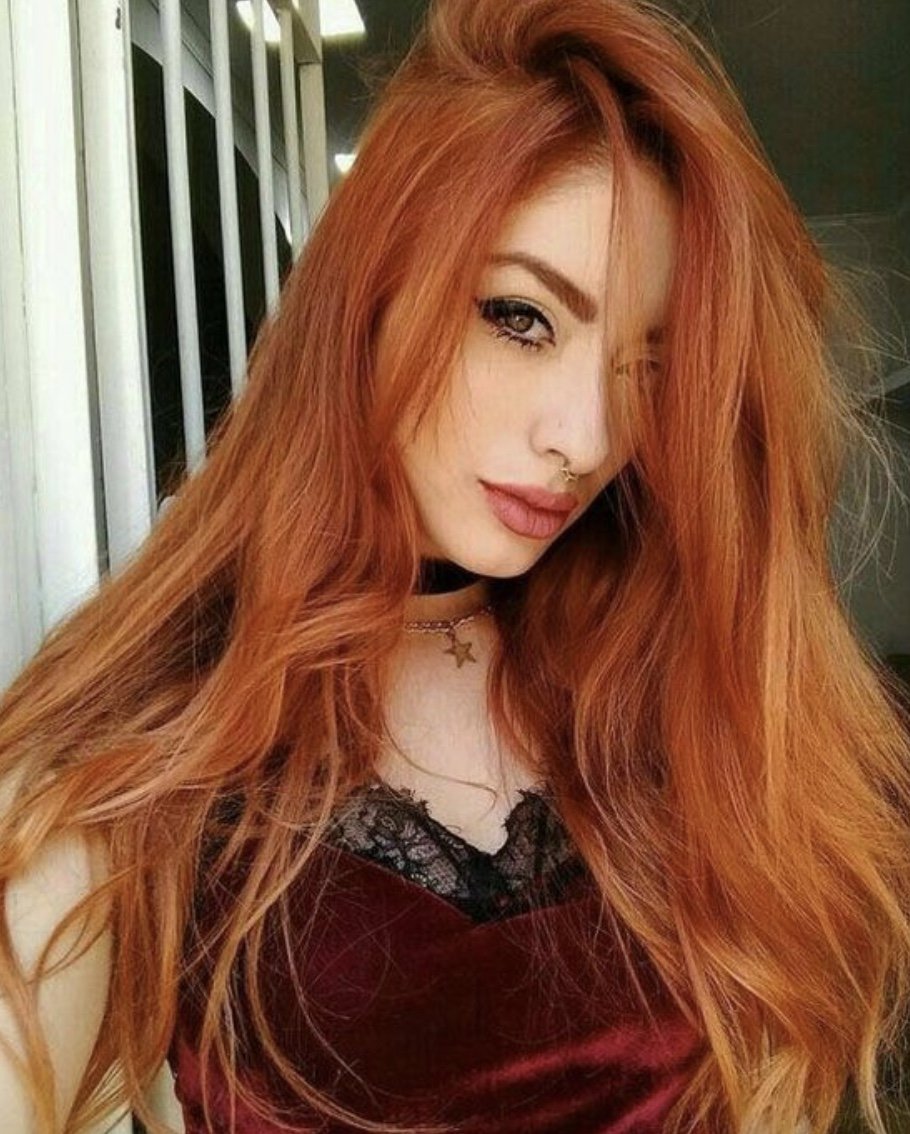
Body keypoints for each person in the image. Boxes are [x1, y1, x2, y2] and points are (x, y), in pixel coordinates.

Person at [1, 0, 909, 1131]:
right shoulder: (154, 736)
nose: (586, 437)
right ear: (369, 296)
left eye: (649, 369)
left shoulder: (674, 677)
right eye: (520, 317)